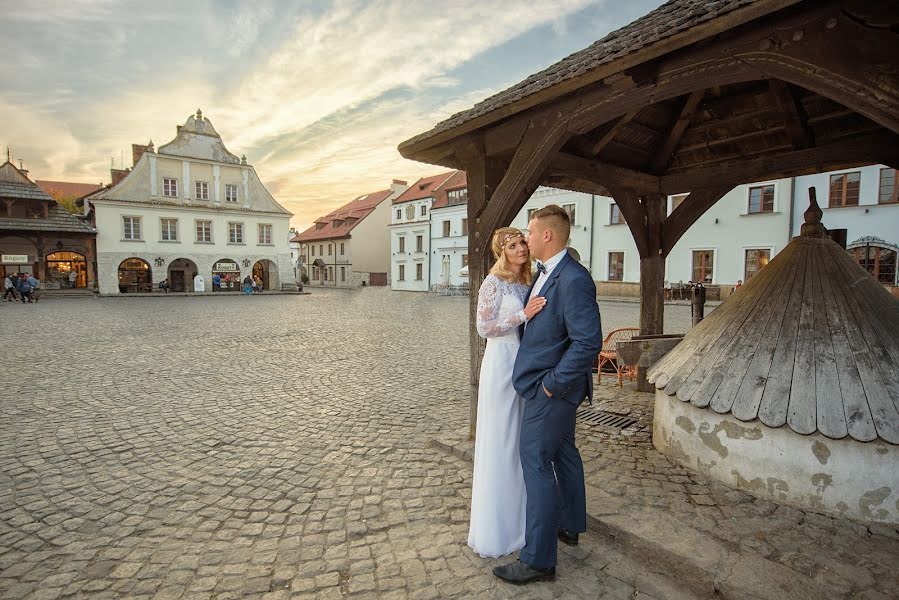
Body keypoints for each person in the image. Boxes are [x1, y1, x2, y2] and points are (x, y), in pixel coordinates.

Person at [494, 205, 602, 585]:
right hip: (552, 387)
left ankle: (538, 560)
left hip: (551, 389)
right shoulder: (549, 273)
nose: (525, 235)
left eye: (530, 229)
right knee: (563, 453)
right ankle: (570, 524)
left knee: (536, 462)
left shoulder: (572, 278)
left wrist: (552, 383)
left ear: (547, 236)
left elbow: (588, 341)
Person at [468, 227, 546, 559]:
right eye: (512, 245)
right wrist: (522, 315)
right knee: (500, 438)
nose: (520, 248)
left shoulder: (527, 282)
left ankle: (521, 518)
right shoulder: (493, 283)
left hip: (525, 364)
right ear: (502, 252)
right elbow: (484, 327)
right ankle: (498, 526)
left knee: (519, 440)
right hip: (500, 365)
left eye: (522, 243)